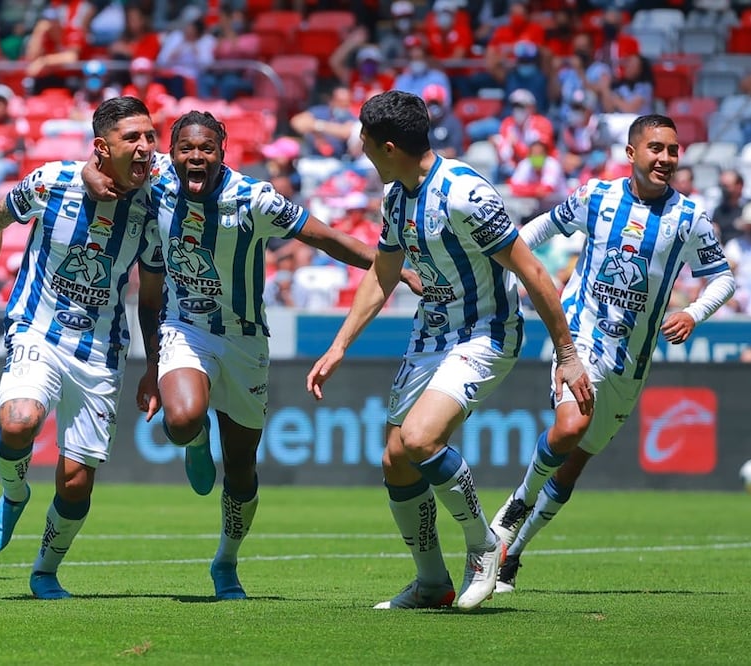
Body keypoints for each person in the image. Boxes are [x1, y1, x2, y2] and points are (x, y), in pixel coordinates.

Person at [81, 110, 417, 601]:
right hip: (185, 328)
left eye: (206, 149)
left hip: (245, 342)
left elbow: (321, 236)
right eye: (185, 149)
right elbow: (97, 165)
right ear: (171, 153)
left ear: (223, 150)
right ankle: (195, 442)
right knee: (182, 419)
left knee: (241, 468)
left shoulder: (253, 198)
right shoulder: (154, 181)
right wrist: (91, 173)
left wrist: (389, 264)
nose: (195, 157)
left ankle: (226, 561)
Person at [304, 90, 593, 611]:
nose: (361, 149)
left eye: (366, 142)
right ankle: (432, 582)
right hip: (430, 335)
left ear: (389, 146)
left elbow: (531, 270)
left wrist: (567, 353)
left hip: (486, 331)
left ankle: (485, 544)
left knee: (418, 439)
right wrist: (340, 344)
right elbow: (384, 272)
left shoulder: (465, 194)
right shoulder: (396, 197)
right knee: (396, 461)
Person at [489, 114, 736, 593]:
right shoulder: (596, 197)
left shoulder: (689, 218)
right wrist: (506, 263)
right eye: (655, 148)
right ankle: (515, 506)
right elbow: (542, 228)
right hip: (579, 340)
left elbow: (723, 277)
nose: (665, 158)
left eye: (672, 150)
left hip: (632, 364)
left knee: (575, 460)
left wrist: (695, 313)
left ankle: (513, 553)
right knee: (570, 425)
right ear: (631, 153)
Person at [0, 96, 162, 600]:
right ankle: (13, 495)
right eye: (133, 139)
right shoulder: (52, 181)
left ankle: (45, 570)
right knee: (18, 421)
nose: (146, 147)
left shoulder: (154, 201)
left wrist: (153, 367)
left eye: (150, 136)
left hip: (101, 350)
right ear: (102, 147)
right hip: (37, 327)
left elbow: (150, 296)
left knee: (76, 482)